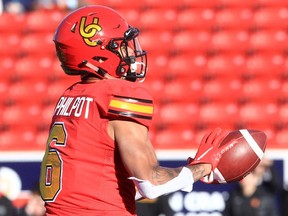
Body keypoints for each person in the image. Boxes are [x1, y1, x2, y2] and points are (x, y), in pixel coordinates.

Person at [39, 5, 234, 216]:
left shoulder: (71, 96)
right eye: (121, 46)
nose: (130, 52)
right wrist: (203, 167)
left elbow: (107, 186)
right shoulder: (118, 93)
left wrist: (187, 175)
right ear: (101, 53)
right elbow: (151, 183)